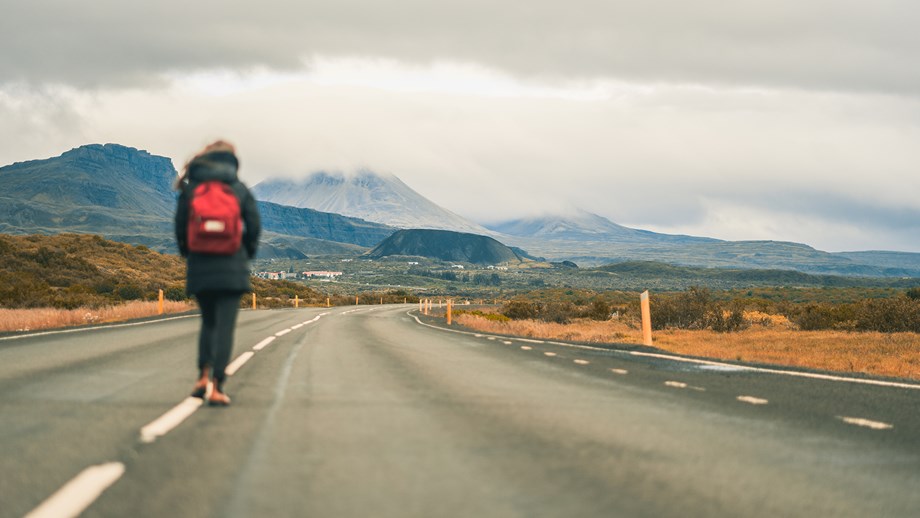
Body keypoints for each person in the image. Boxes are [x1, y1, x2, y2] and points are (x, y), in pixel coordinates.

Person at [174, 140, 261, 406]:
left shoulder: (191, 188)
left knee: (208, 323)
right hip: (232, 267)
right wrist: (244, 253)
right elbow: (254, 227)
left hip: (201, 266)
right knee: (225, 328)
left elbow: (180, 229)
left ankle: (202, 375)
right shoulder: (239, 188)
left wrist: (191, 255)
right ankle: (217, 386)